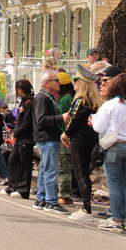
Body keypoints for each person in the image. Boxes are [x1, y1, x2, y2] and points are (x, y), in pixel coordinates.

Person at [93, 73, 126, 233]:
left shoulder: (110, 105)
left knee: (115, 184)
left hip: (115, 147)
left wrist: (94, 118)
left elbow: (99, 127)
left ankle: (116, 219)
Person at [63, 65, 101, 221]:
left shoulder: (80, 100)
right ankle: (86, 206)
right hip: (91, 138)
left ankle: (86, 209)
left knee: (80, 173)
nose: (74, 83)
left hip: (79, 139)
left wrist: (65, 134)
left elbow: (73, 119)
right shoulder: (93, 101)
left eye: (76, 80)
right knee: (83, 172)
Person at [31, 69, 70, 214]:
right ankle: (52, 201)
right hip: (46, 138)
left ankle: (41, 198)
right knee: (51, 171)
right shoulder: (42, 98)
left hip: (50, 138)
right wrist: (61, 117)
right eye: (56, 81)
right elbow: (41, 119)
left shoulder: (49, 97)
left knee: (46, 169)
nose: (59, 83)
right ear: (47, 83)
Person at [0, 79, 35, 199]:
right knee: (13, 160)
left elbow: (27, 122)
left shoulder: (30, 103)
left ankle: (23, 189)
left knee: (24, 164)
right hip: (20, 138)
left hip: (26, 138)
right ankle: (12, 186)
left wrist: (16, 132)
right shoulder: (24, 102)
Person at [56, 71, 76, 204]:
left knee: (63, 167)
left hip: (65, 137)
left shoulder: (65, 100)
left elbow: (62, 119)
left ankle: (65, 194)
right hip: (69, 137)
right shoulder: (71, 98)